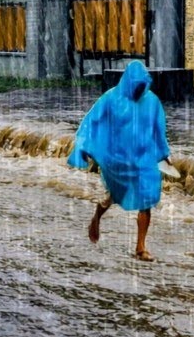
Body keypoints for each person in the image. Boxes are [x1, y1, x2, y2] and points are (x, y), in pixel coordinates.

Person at [68, 60, 171, 261]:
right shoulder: (111, 98)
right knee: (113, 196)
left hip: (144, 159)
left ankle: (141, 247)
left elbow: (159, 131)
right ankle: (97, 216)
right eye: (136, 85)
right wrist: (84, 147)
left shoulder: (152, 102)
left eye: (143, 86)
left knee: (146, 199)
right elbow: (91, 122)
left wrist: (164, 154)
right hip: (118, 159)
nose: (139, 90)